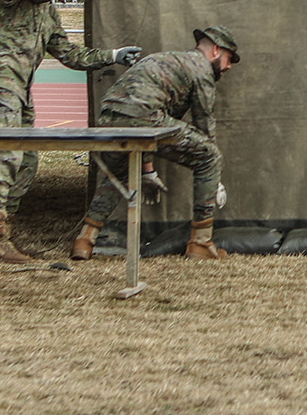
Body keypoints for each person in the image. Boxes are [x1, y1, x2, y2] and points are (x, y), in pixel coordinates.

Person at [0, 0, 140, 264]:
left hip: (21, 89)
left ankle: (3, 236)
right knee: (4, 155)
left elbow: (69, 53)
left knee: (27, 162)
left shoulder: (47, 11)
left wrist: (113, 56)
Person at [72, 26, 241, 261]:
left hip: (109, 116)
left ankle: (85, 239)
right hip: (144, 118)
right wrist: (213, 178)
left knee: (118, 174)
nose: (229, 66)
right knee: (210, 156)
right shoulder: (201, 70)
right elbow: (203, 122)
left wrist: (147, 171)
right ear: (215, 50)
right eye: (229, 58)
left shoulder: (164, 59)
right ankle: (201, 241)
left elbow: (148, 116)